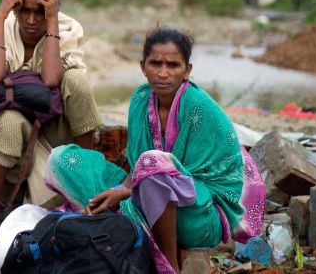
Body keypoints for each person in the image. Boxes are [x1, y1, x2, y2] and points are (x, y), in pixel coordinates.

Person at [45, 27, 265, 274]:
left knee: (154, 164)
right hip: (144, 191)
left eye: (173, 65)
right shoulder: (140, 100)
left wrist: (124, 195)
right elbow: (137, 169)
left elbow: (184, 182)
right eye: (155, 63)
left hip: (200, 213)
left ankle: (167, 266)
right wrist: (118, 191)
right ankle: (120, 217)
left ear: (187, 70)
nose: (163, 73)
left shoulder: (201, 108)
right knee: (64, 159)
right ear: (142, 66)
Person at [0, 0, 103, 259]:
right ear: (16, 11)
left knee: (77, 80)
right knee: (8, 121)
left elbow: (52, 78)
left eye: (40, 12)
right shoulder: (0, 26)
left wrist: (52, 22)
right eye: (25, 12)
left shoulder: (66, 27)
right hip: (15, 120)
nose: (31, 21)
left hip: (55, 125)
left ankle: (86, 179)